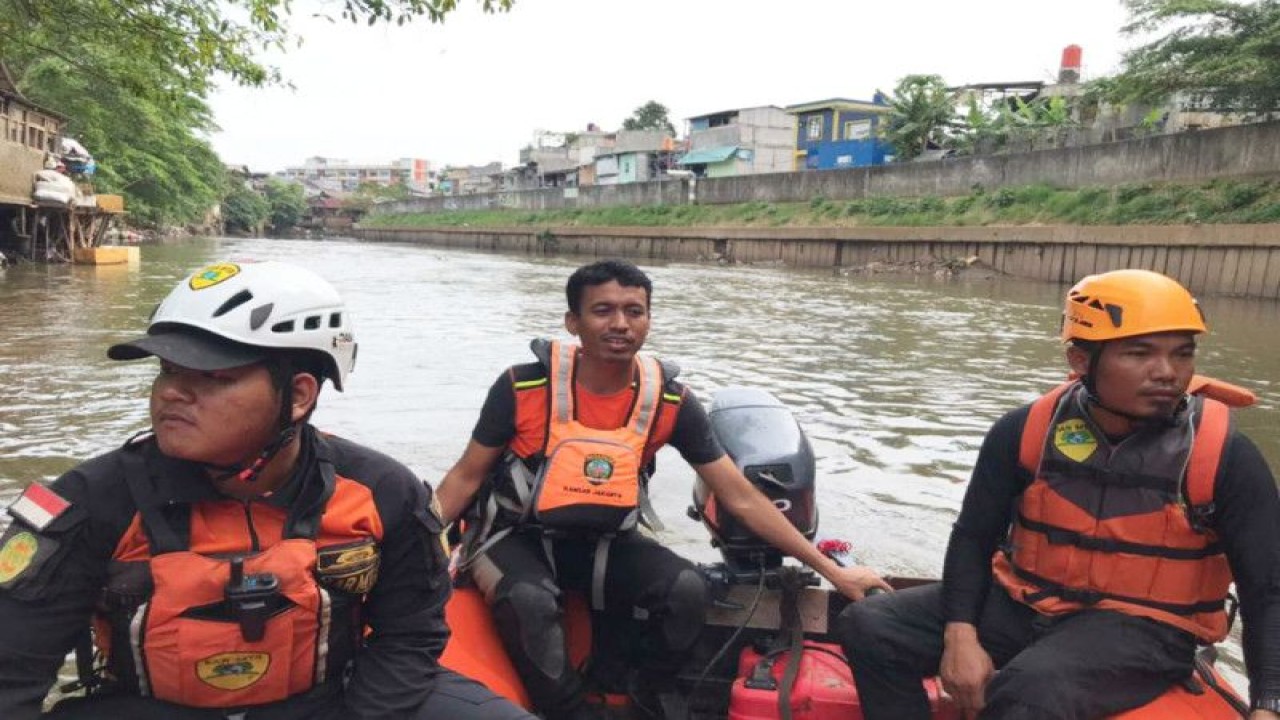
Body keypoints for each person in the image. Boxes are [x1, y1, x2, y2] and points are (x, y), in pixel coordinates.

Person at [0, 260, 535, 720]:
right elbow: (14, 670)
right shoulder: (91, 502)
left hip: (328, 701)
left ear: (298, 395)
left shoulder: (382, 491)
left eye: (212, 378)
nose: (171, 394)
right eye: (167, 370)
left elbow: (410, 634)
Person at [436, 258, 891, 720]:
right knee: (530, 601)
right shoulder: (523, 386)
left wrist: (833, 573)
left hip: (604, 542)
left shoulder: (670, 400)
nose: (620, 324)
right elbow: (465, 476)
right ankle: (567, 712)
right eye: (603, 311)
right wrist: (412, 544)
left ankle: (642, 698)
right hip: (513, 539)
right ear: (573, 322)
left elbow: (739, 496)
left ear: (649, 320)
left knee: (687, 591)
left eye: (635, 311)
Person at [836, 269, 1280, 720]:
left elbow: (1267, 589)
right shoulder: (1025, 431)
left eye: (1182, 354)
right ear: (1082, 359)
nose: (1167, 373)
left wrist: (1268, 703)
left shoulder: (1223, 457)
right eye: (1140, 353)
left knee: (1029, 691)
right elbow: (973, 537)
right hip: (1028, 601)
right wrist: (961, 634)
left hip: (1145, 628)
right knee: (873, 625)